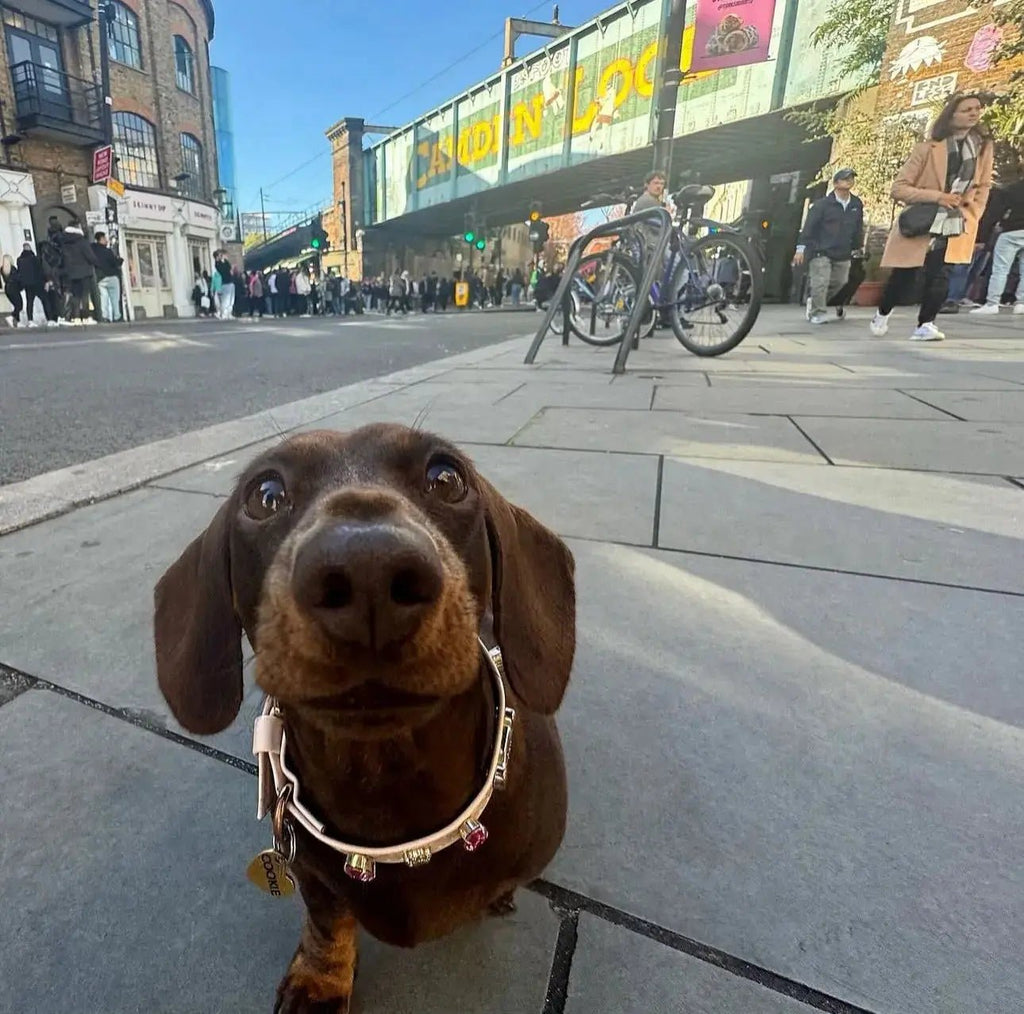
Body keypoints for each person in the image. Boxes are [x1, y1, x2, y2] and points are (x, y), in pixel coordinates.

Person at [871, 93, 994, 341]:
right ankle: (882, 314)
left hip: (956, 218)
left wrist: (974, 213)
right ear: (951, 116)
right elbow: (899, 188)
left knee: (941, 273)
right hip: (923, 217)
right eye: (966, 109)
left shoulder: (983, 147)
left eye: (977, 109)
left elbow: (983, 185)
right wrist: (938, 197)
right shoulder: (927, 149)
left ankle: (925, 324)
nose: (973, 113)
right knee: (905, 274)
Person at [793, 169, 864, 325]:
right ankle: (817, 312)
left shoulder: (856, 204)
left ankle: (815, 300)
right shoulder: (822, 205)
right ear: (836, 183)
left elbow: (858, 227)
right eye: (845, 179)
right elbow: (808, 228)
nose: (849, 181)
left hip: (843, 251)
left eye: (851, 178)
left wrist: (858, 246)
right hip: (820, 250)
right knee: (821, 281)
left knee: (840, 282)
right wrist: (800, 249)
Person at [970, 174, 1024, 315]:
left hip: (1010, 231)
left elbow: (993, 215)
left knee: (1000, 269)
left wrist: (982, 237)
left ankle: (992, 303)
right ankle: (1021, 303)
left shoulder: (1009, 190)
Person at [61, 220, 100, 324]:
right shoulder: (81, 241)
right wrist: (97, 263)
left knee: (76, 296)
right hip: (84, 272)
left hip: (72, 273)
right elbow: (90, 256)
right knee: (85, 295)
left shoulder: (64, 242)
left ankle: (76, 317)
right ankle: (87, 317)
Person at [91, 231, 123, 322]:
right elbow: (114, 263)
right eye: (105, 238)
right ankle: (117, 316)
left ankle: (105, 317)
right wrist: (120, 261)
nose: (106, 240)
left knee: (103, 298)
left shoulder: (93, 249)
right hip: (111, 276)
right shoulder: (107, 251)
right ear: (101, 239)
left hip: (100, 278)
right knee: (115, 298)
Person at [17, 242, 46, 327]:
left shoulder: (19, 260)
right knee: (44, 300)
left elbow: (20, 272)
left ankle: (30, 320)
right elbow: (39, 271)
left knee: (30, 302)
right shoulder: (34, 258)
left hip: (27, 285)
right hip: (36, 283)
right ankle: (50, 317)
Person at [2, 253, 24, 327]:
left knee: (16, 305)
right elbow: (17, 278)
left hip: (7, 289)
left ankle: (17, 321)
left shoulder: (3, 269)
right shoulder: (13, 268)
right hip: (14, 288)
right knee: (19, 305)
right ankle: (12, 317)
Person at [214, 250, 234, 319]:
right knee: (226, 300)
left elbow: (229, 267)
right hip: (225, 283)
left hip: (230, 282)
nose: (222, 256)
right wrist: (220, 259)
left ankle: (229, 313)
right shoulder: (218, 264)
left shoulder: (224, 263)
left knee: (231, 300)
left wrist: (225, 259)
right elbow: (224, 268)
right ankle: (224, 314)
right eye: (220, 255)